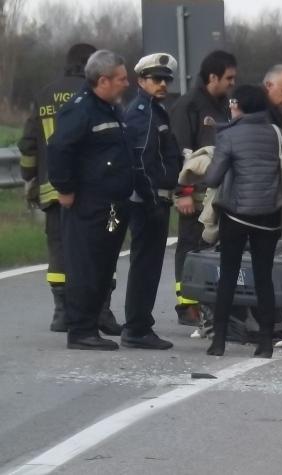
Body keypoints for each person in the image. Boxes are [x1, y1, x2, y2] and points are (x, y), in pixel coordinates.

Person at [18, 43, 123, 336]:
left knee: (60, 250)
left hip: (52, 189)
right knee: (100, 249)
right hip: (90, 188)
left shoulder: (43, 95)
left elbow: (28, 145)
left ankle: (62, 311)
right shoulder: (95, 95)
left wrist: (31, 179)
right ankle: (101, 310)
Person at [46, 50, 136, 350]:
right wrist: (65, 188)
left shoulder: (110, 108)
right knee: (86, 265)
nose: (127, 84)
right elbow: (59, 149)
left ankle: (93, 321)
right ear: (103, 80)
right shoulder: (81, 110)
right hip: (89, 204)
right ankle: (81, 330)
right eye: (122, 79)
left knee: (102, 264)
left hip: (111, 203)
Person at [203, 85, 282, 358]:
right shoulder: (275, 133)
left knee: (228, 275)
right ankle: (265, 343)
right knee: (264, 278)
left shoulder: (229, 136)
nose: (230, 106)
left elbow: (213, 178)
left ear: (240, 105)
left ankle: (219, 341)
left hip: (236, 215)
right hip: (269, 216)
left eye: (233, 102)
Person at [169, 50, 237, 327]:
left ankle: (209, 301)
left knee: (212, 247)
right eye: (229, 77)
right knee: (189, 246)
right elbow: (180, 150)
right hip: (193, 194)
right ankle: (187, 305)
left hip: (217, 193)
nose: (233, 82)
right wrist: (183, 192)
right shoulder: (189, 106)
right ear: (213, 77)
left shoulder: (223, 106)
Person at [120, 53, 183, 350]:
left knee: (148, 264)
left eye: (166, 80)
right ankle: (137, 327)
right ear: (140, 81)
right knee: (145, 265)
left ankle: (139, 324)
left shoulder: (154, 111)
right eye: (156, 79)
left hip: (154, 198)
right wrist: (151, 202)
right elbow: (142, 163)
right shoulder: (143, 113)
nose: (162, 84)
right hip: (147, 201)